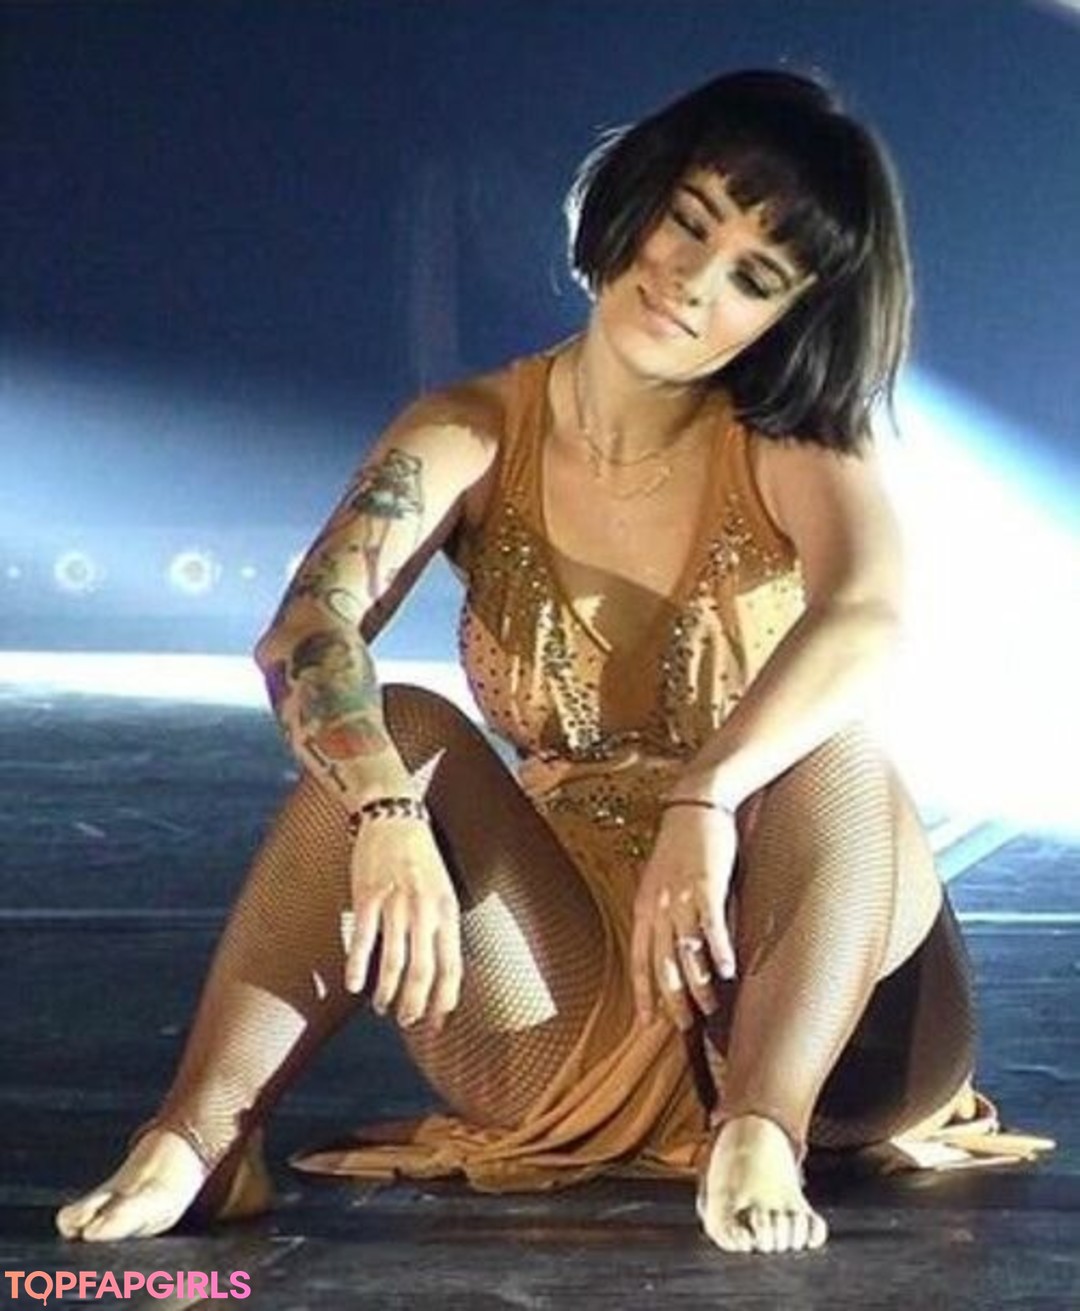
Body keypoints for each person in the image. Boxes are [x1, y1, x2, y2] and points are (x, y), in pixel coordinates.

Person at [55, 69, 1036, 1257]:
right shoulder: (472, 428)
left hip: (822, 1010)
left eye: (753, 278)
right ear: (635, 199)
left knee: (832, 745)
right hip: (573, 996)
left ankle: (759, 1130)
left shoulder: (791, 442)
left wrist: (706, 793)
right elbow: (310, 626)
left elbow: (868, 613)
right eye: (689, 222)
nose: (693, 281)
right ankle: (203, 1138)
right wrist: (383, 810)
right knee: (396, 723)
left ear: (788, 318)